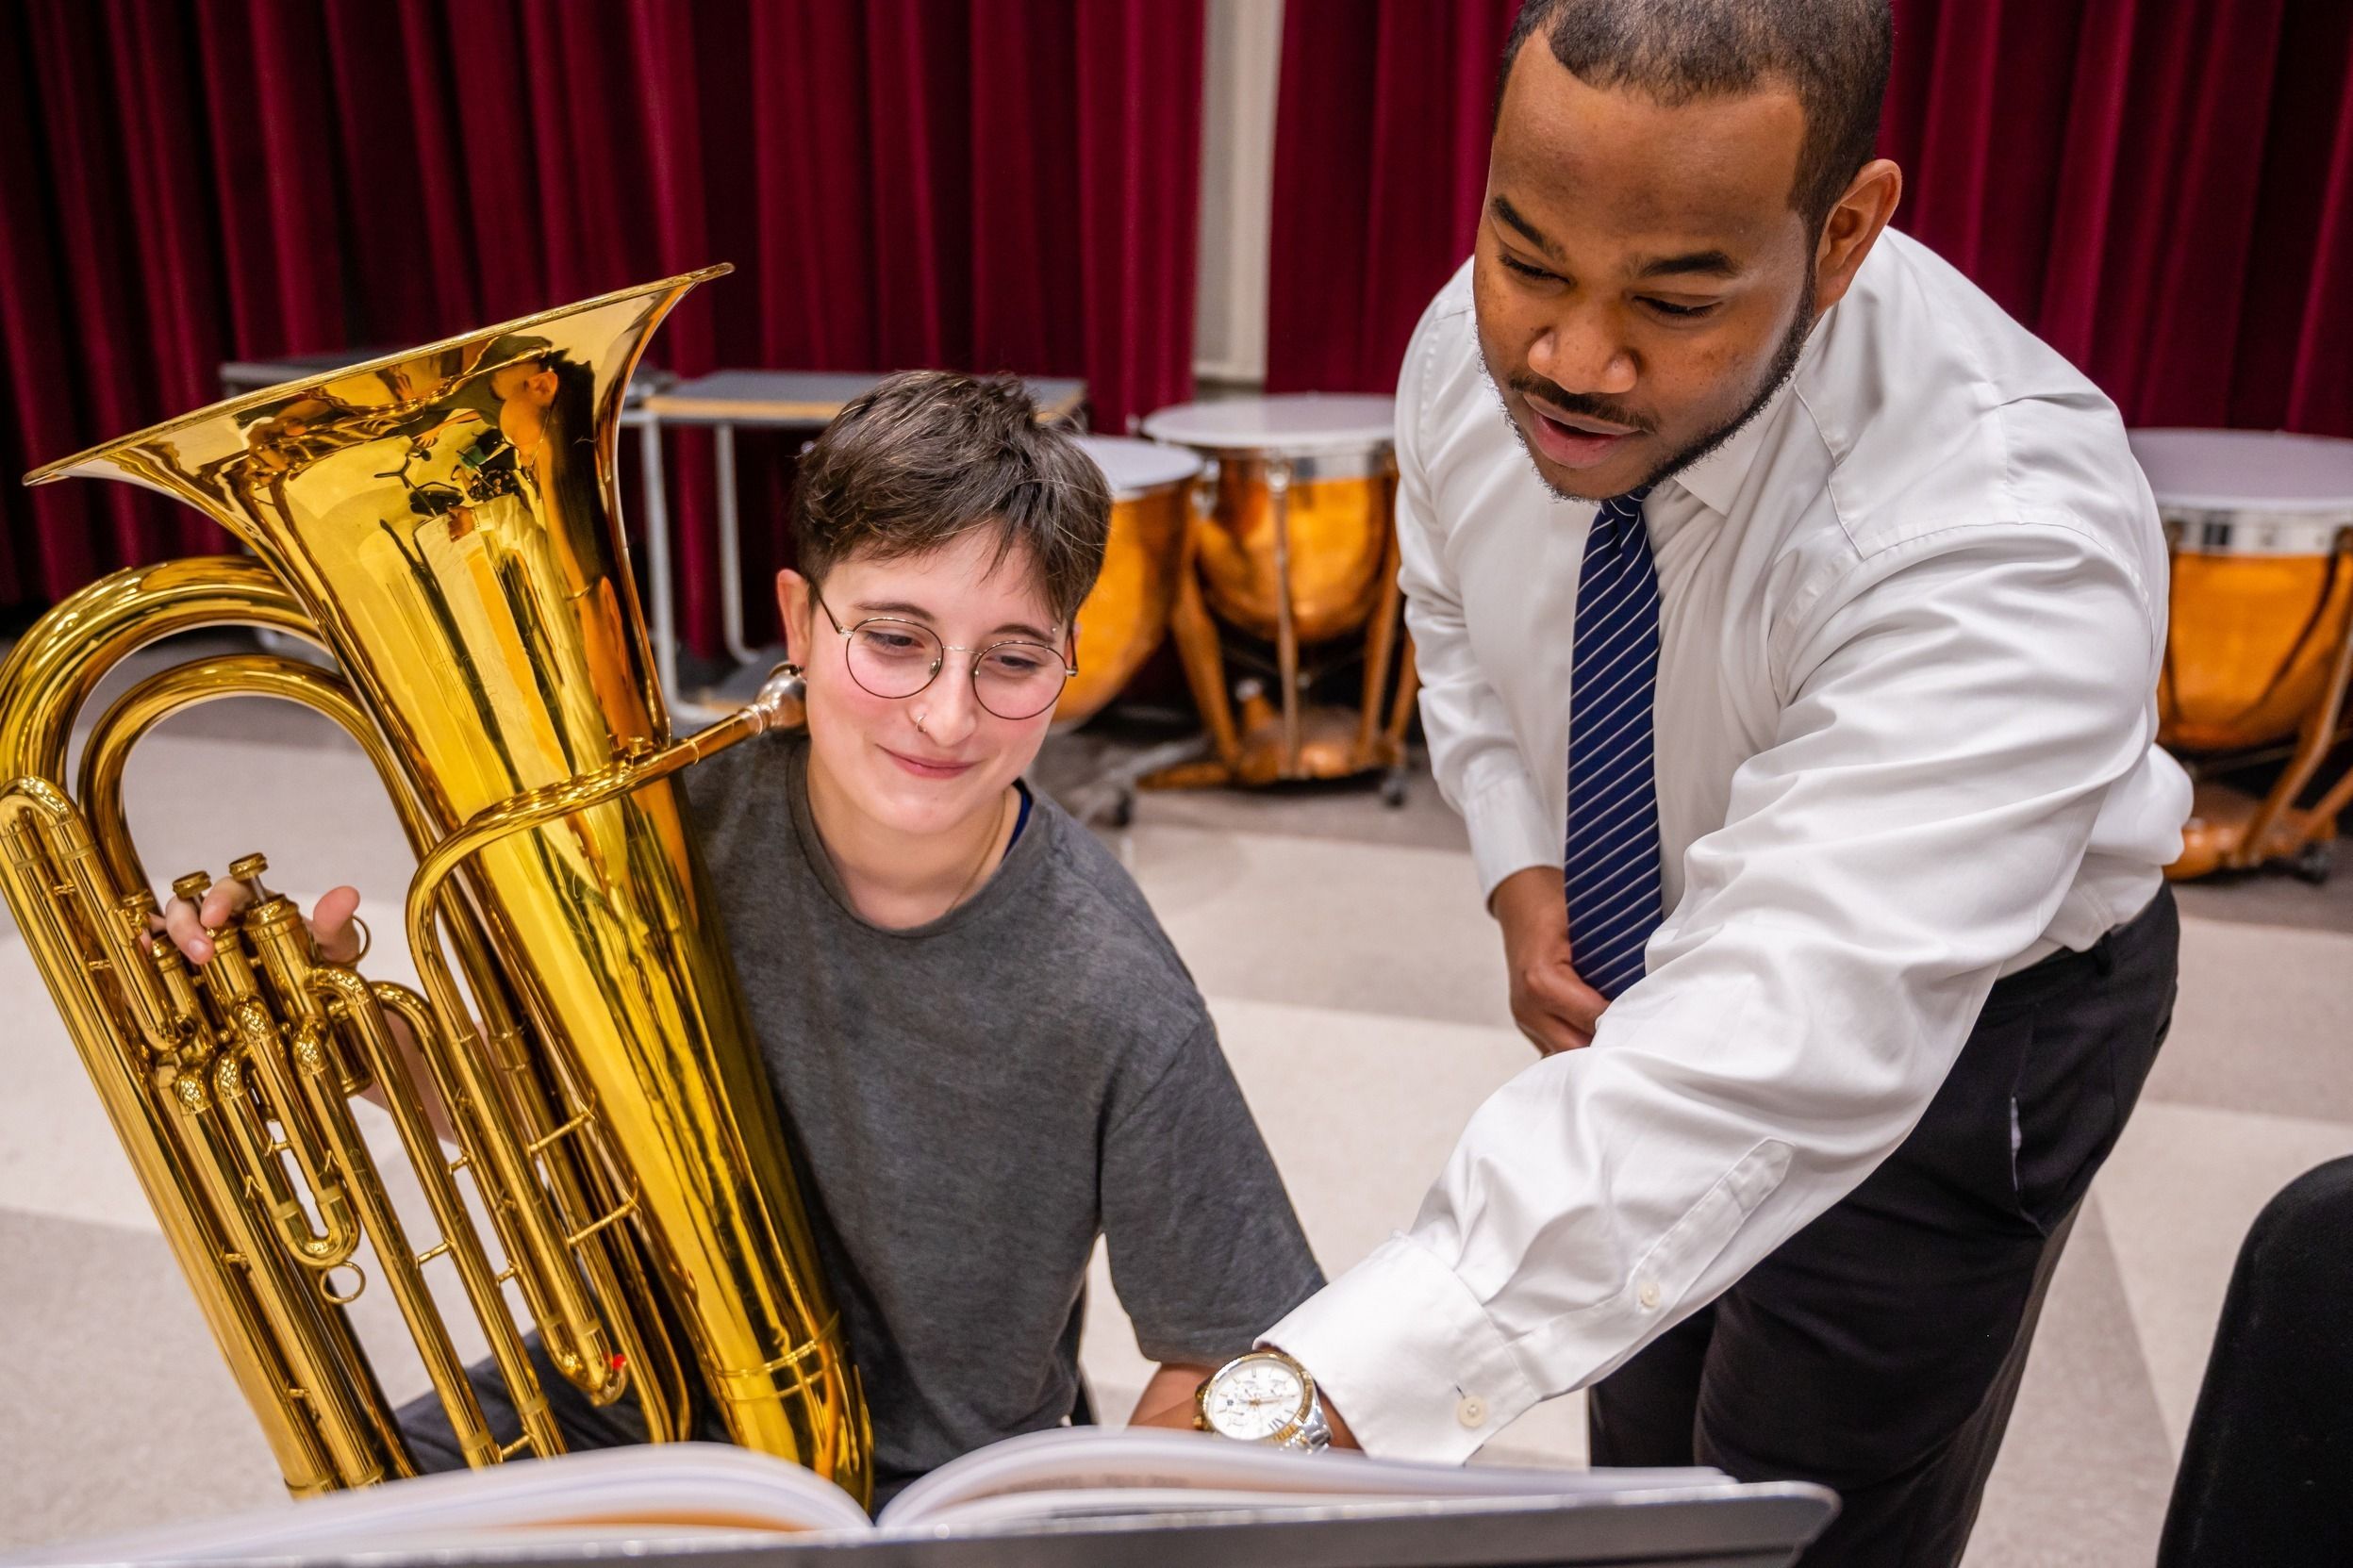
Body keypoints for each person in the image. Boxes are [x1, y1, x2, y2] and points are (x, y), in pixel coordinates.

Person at [1224, 4, 2188, 1562]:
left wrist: (1311, 1394)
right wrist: (1520, 854)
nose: (1569, 359)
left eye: (1676, 300)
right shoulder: (1469, 351)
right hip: (1652, 935)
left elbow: (1780, 1031)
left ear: (1848, 228)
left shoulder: (2010, 530)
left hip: (1962, 1020)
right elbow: (1456, 607)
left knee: (1795, 1497)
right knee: (1642, 1458)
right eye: (1527, 258)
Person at [163, 370, 1324, 1508]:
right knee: (328, 1531)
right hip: (629, 1395)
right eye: (893, 638)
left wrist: (1087, 1518)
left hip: (919, 1485)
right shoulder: (659, 828)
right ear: (795, 623)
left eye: (1012, 659)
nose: (946, 712)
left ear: (1067, 661)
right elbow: (542, 1105)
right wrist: (340, 1042)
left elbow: (1234, 1350)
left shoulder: (1110, 984)